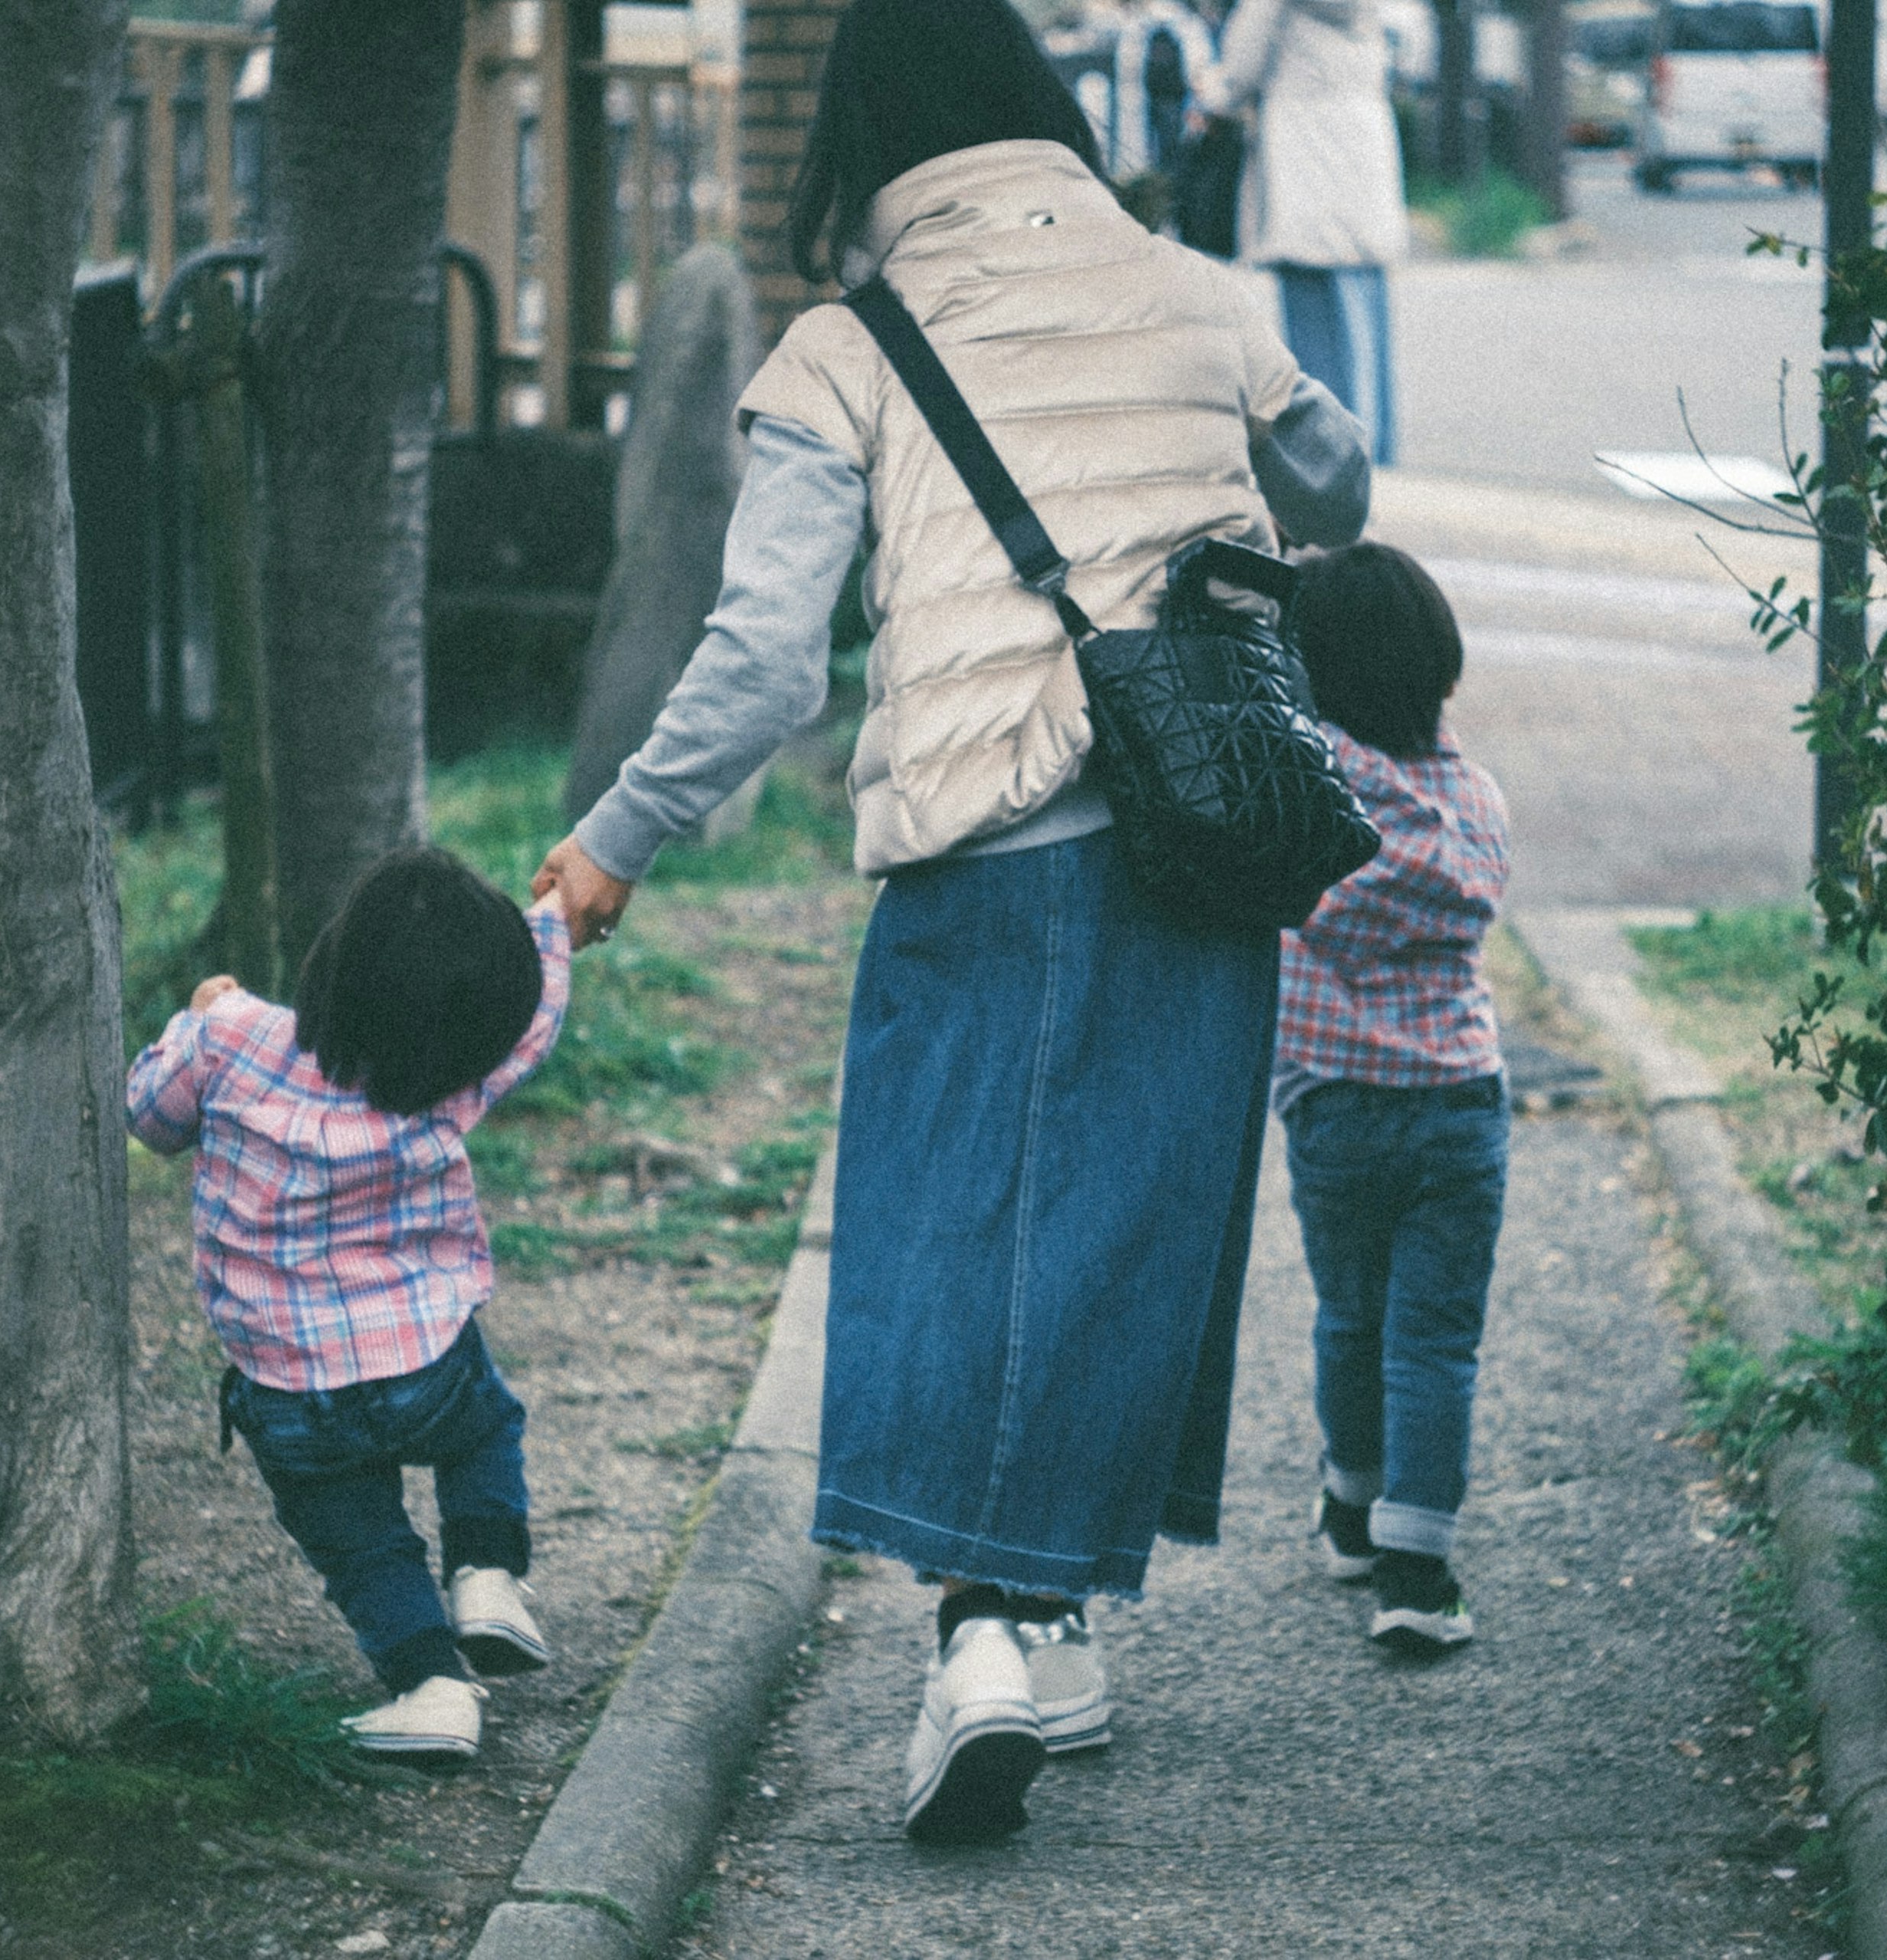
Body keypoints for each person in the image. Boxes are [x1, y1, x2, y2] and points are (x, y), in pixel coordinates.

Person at [530, 0, 1370, 1844]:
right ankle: (1045, 1622)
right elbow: (1340, 484)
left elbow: (762, 661)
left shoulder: (848, 346)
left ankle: (984, 1634)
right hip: (1209, 832)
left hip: (990, 839)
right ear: (1037, 108)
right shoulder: (1194, 285)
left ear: (864, 142)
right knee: (1123, 1229)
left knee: (954, 1222)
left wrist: (614, 840)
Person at [126, 846, 574, 1762]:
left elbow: (151, 1119)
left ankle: (432, 1687)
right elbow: (538, 1013)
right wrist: (559, 913)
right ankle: (486, 1572)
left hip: (287, 1393)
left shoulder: (235, 1040)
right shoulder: (454, 1083)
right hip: (427, 1366)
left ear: (331, 961)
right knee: (484, 1428)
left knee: (361, 1543)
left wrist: (197, 1017)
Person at [1273, 543, 1510, 1654]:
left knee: (1351, 1314)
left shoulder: (1307, 785)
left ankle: (1350, 1502)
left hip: (1334, 1105)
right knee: (1436, 1340)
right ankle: (1418, 1567)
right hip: (1460, 1103)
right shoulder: (1472, 798)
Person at [1198, 0, 1408, 463]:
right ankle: (1380, 443)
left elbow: (1238, 74)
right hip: (1364, 146)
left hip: (1303, 154)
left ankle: (1333, 453)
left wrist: (1208, 94)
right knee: (1366, 308)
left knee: (1312, 309)